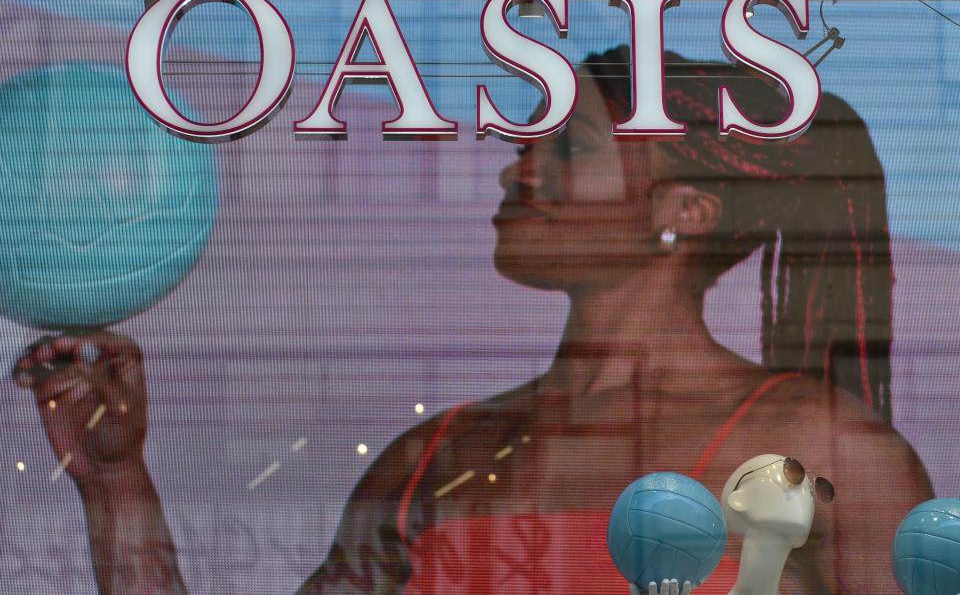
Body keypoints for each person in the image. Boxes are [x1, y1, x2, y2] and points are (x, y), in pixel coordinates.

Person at [12, 47, 933, 595]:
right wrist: (115, 479)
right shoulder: (436, 459)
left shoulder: (824, 448)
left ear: (687, 211)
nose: (516, 168)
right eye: (527, 140)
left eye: (565, 146)